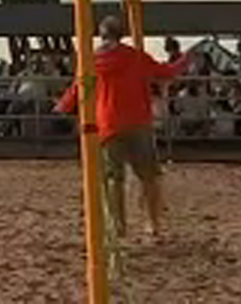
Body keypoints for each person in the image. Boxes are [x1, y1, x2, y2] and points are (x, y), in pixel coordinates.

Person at [57, 15, 188, 239]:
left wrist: (62, 106)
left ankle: (118, 227)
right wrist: (185, 60)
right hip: (138, 122)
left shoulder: (92, 61)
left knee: (113, 178)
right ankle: (153, 224)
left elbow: (79, 88)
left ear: (101, 35)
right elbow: (166, 72)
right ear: (122, 34)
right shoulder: (136, 57)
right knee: (149, 176)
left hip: (108, 124)